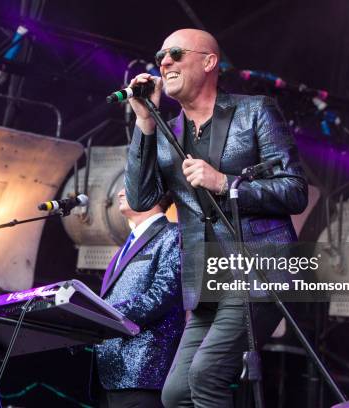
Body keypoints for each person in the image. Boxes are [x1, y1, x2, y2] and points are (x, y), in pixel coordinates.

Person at [125, 29, 308, 407]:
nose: (165, 62)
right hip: (207, 283)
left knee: (206, 373)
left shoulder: (254, 110)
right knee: (176, 394)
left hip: (260, 270)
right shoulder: (166, 132)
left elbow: (295, 190)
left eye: (176, 53)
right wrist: (145, 122)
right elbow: (142, 197)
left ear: (209, 62)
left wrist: (226, 183)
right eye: (161, 55)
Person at [95, 188, 185, 408]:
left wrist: (100, 317)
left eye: (129, 184)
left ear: (153, 194)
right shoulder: (128, 244)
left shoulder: (173, 234)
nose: (118, 192)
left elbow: (161, 295)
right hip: (110, 376)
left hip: (143, 373)